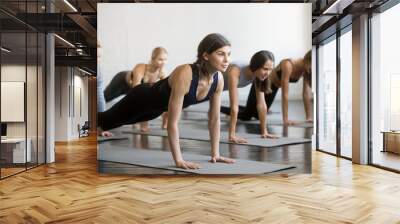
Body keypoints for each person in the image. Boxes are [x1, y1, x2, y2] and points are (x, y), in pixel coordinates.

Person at [98, 33, 235, 169]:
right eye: (221, 54)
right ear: (206, 55)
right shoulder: (186, 73)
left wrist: (215, 154)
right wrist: (179, 160)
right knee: (105, 120)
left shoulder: (219, 80)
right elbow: (172, 122)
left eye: (228, 54)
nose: (226, 60)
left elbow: (215, 119)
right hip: (140, 98)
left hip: (155, 110)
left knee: (107, 125)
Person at [228, 51, 312, 125]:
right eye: (311, 66)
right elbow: (285, 95)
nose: (312, 70)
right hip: (264, 81)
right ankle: (221, 108)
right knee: (246, 116)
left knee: (258, 115)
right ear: (307, 60)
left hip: (274, 88)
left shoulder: (305, 71)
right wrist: (285, 119)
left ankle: (243, 107)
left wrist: (309, 117)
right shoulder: (288, 64)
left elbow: (306, 94)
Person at [103, 47, 169, 131]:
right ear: (153, 59)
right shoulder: (141, 67)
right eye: (160, 59)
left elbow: (164, 92)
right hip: (121, 82)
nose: (163, 62)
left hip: (134, 88)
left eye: (165, 60)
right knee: (104, 98)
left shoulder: (162, 72)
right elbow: (136, 91)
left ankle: (164, 122)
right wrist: (143, 122)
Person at [220, 51, 278, 144]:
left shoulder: (258, 75)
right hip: (207, 86)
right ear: (255, 66)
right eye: (265, 69)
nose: (268, 73)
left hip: (219, 89)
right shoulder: (236, 70)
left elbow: (262, 105)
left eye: (270, 69)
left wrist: (264, 132)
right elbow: (234, 106)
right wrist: (232, 135)